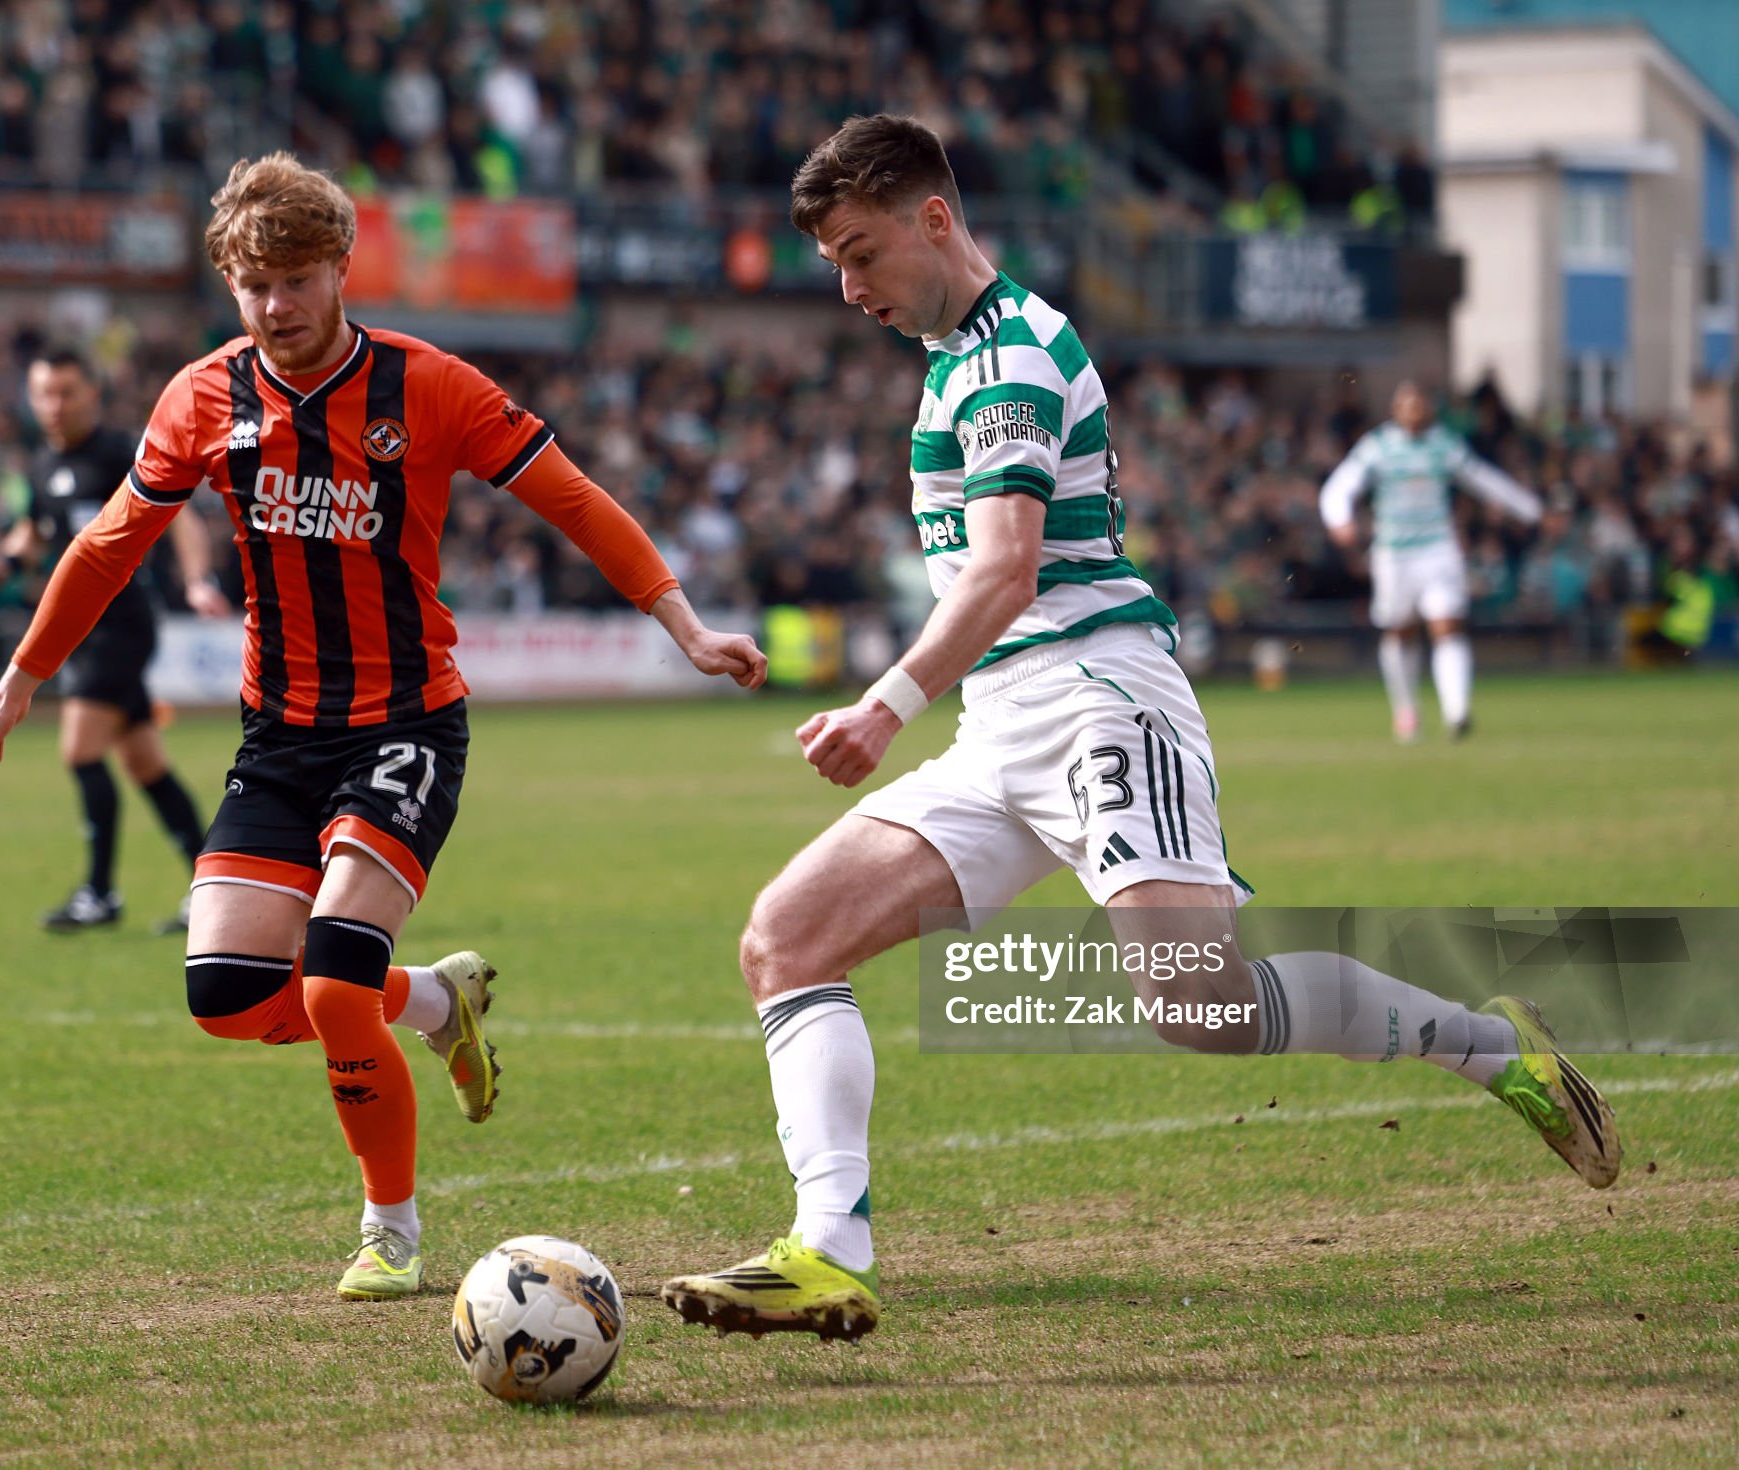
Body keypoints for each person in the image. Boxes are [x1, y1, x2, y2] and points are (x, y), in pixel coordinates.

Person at [658, 115, 1618, 1345]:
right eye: (834, 266)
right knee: (785, 941)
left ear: (933, 220)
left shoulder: (1007, 358)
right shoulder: (953, 359)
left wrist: (882, 705)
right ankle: (828, 1247)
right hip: (1003, 721)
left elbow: (1004, 572)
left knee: (1199, 1007)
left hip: (1099, 699)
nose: (847, 291)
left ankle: (1495, 1051)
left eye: (859, 254)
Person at [0, 153, 765, 1301]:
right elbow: (105, 545)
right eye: (251, 285)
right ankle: (436, 1000)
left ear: (339, 267)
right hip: (278, 735)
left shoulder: (430, 387)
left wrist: (679, 622)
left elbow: (571, 496)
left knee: (333, 981)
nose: (274, 306)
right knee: (227, 998)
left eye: (292, 279)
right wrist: (19, 681)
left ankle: (391, 1228)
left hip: (406, 725)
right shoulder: (202, 397)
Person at [0, 348, 228, 933]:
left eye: (66, 392)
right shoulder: (41, 466)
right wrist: (2, 562)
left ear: (92, 394)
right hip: (81, 631)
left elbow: (181, 516)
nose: (54, 406)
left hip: (119, 624)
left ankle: (100, 894)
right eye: (44, 394)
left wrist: (196, 580)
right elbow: (34, 533)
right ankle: (213, 889)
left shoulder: (119, 452)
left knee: (80, 750)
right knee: (144, 762)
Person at [1319, 382, 1543, 742]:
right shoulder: (1379, 447)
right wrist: (1338, 518)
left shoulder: (1444, 444)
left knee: (1446, 625)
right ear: (1396, 410)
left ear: (1429, 409)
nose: (1415, 411)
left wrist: (1531, 510)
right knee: (1400, 630)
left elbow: (1484, 479)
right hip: (1394, 553)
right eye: (1407, 405)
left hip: (1438, 550)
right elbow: (1340, 485)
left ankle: (1457, 712)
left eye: (1420, 404)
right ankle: (1406, 710)